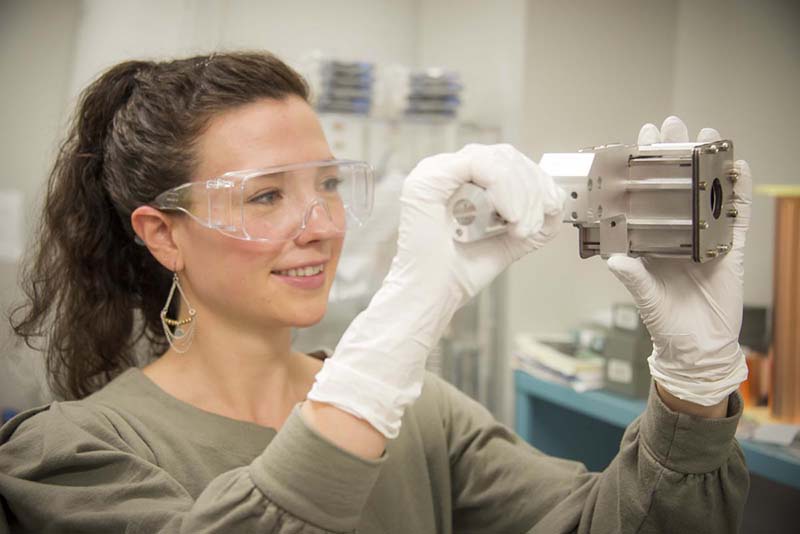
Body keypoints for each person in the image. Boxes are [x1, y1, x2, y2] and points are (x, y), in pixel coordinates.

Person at [0, 52, 750, 533]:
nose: (322, 225)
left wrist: (694, 385)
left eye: (329, 185)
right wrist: (392, 338)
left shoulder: (422, 413)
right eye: (265, 197)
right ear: (163, 235)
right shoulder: (66, 453)